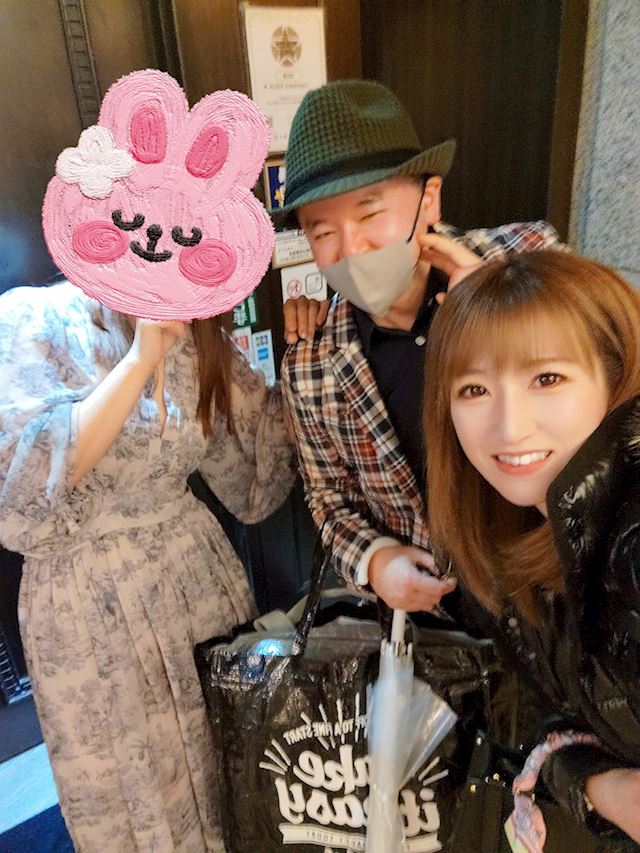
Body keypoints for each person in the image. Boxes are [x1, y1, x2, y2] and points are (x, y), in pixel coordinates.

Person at [0, 280, 296, 851]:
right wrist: (139, 359)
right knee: (134, 793)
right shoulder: (31, 320)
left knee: (232, 770)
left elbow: (250, 468)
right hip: (89, 612)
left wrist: (312, 350)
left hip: (197, 583)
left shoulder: (195, 332)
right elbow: (23, 499)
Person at [277, 79, 564, 613]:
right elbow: (327, 496)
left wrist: (495, 309)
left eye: (370, 214)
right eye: (322, 232)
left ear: (428, 200)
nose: (352, 249)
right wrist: (375, 562)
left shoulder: (533, 263)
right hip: (435, 613)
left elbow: (605, 402)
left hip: (556, 582)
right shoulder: (312, 363)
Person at [424, 249, 640, 847]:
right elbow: (553, 718)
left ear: (616, 375)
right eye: (474, 389)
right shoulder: (506, 536)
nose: (510, 426)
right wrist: (603, 788)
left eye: (547, 379)